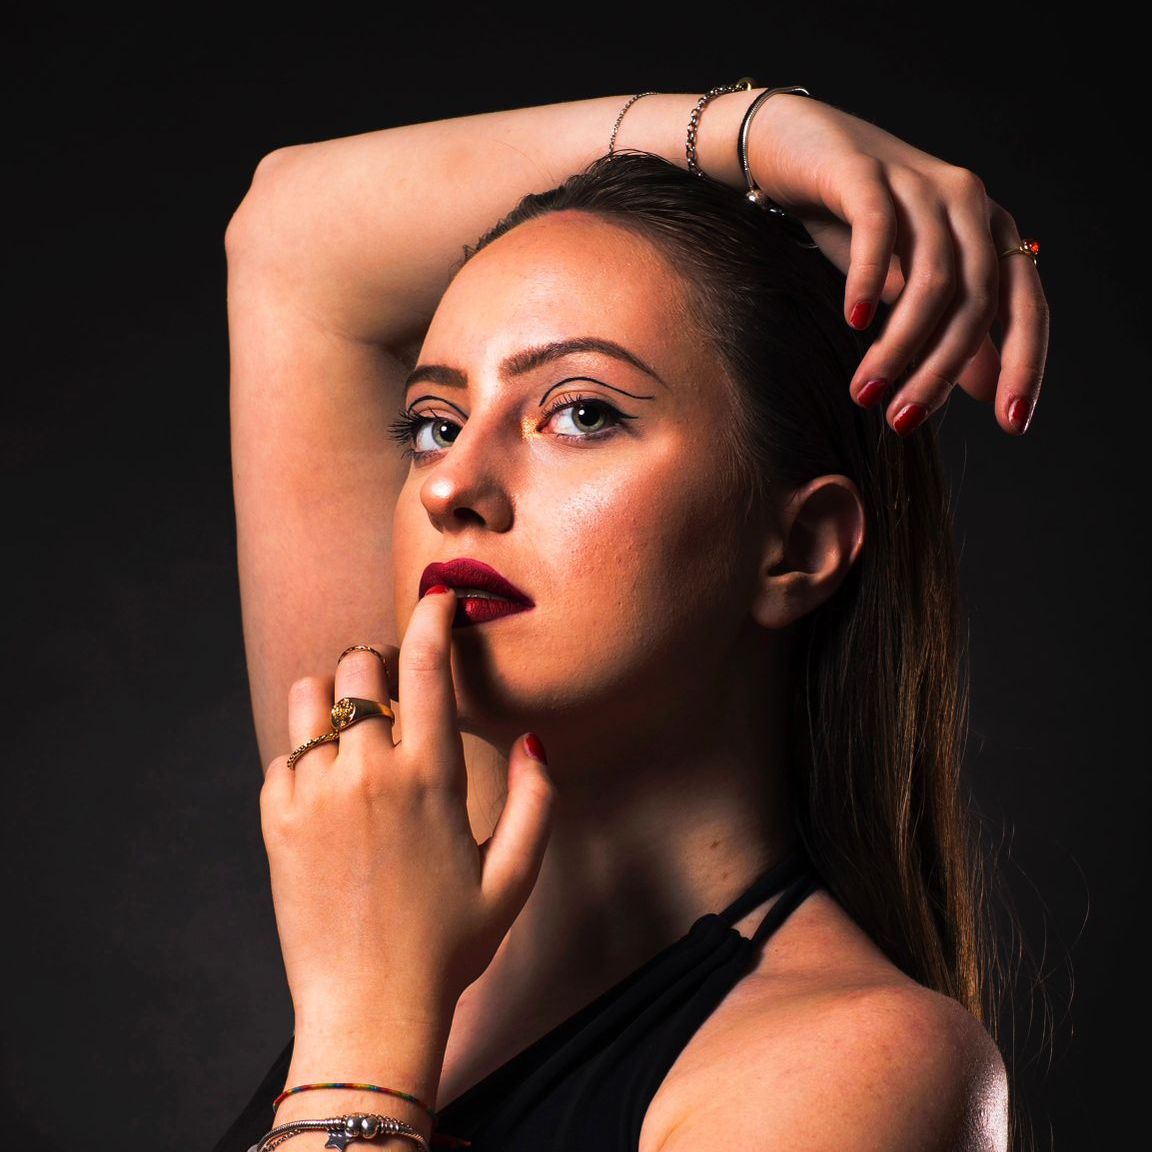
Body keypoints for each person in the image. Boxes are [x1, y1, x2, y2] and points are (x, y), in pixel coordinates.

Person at [216, 80, 1049, 1152]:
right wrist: (755, 131)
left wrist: (361, 1029)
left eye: (580, 412)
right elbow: (291, 234)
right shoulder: (397, 844)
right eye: (433, 424)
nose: (451, 485)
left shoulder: (864, 1067)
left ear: (797, 546)